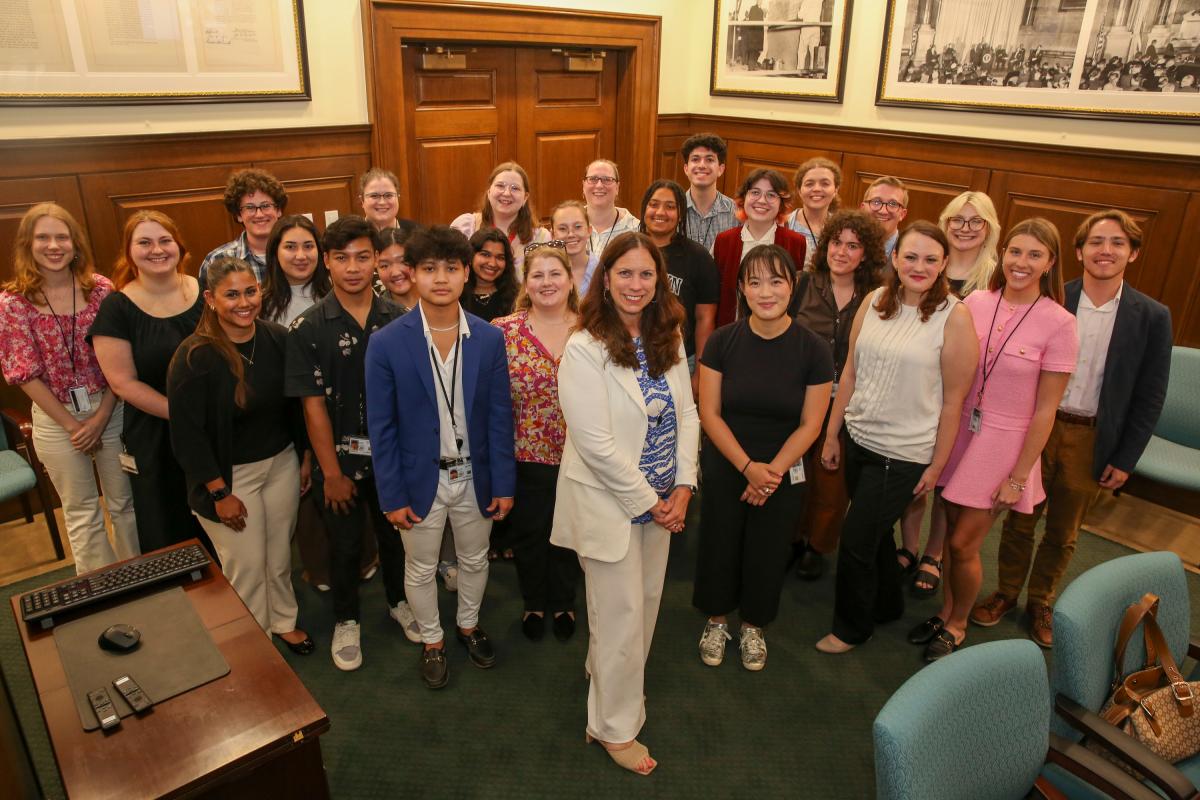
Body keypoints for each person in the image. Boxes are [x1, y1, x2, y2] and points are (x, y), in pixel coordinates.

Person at [970, 210, 1171, 649]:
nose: (1106, 250)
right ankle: (1006, 591)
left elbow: (1150, 394)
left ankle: (1041, 600)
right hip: (1035, 427)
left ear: (1132, 253)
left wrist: (1125, 457)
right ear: (1077, 252)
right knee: (1020, 518)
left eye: (1117, 243)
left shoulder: (1152, 317)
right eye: (1096, 242)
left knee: (1063, 531)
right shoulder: (1053, 301)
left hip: (1093, 437)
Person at [551, 232, 699, 775]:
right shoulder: (585, 346)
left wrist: (683, 485)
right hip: (611, 501)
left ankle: (608, 677)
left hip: (665, 499)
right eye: (625, 274)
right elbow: (593, 443)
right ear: (604, 280)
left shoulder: (668, 335)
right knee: (621, 613)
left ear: (658, 280)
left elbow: (688, 413)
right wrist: (652, 501)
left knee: (645, 601)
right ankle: (613, 728)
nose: (637, 285)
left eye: (646, 275)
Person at [915, 218, 1078, 662]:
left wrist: (1019, 476)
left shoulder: (1060, 322)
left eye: (1034, 254)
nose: (1021, 262)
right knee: (947, 533)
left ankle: (958, 623)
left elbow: (1046, 410)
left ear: (1050, 263)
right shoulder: (974, 302)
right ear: (1001, 254)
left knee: (965, 542)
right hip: (960, 430)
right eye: (1015, 251)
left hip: (1005, 445)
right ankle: (946, 610)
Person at [814, 221, 977, 655]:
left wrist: (937, 467)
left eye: (929, 259)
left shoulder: (955, 318)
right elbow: (849, 371)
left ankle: (852, 628)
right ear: (894, 257)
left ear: (944, 263)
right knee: (877, 533)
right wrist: (832, 433)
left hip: (903, 453)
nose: (918, 266)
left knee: (856, 541)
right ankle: (886, 602)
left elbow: (953, 404)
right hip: (858, 438)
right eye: (910, 256)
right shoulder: (874, 301)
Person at [365, 225, 516, 690]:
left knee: (474, 560)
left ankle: (468, 626)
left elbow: (498, 416)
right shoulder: (386, 343)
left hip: (477, 476)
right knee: (421, 567)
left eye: (451, 268)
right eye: (429, 269)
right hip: (417, 481)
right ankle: (432, 639)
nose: (441, 279)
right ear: (411, 275)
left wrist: (505, 483)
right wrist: (391, 493)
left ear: (466, 273)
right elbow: (382, 428)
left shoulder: (489, 339)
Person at [694, 244, 832, 671]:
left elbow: (811, 424)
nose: (765, 291)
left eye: (776, 281)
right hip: (728, 460)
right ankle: (717, 621)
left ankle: (754, 625)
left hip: (783, 467)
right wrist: (747, 468)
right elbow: (709, 413)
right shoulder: (722, 341)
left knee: (769, 549)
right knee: (719, 542)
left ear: (793, 286)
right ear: (741, 289)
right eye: (754, 282)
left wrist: (769, 474)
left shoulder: (814, 349)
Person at [286, 216, 416, 670]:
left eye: (363, 257)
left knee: (396, 538)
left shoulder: (399, 318)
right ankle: (347, 619)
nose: (353, 267)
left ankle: (400, 602)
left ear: (377, 260)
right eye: (342, 258)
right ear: (327, 263)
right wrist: (332, 473)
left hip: (393, 460)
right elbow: (312, 406)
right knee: (342, 546)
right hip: (337, 461)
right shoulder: (307, 327)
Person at [167, 256, 313, 654]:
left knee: (279, 556)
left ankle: (283, 620)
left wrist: (302, 457)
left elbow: (294, 409)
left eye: (250, 292)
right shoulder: (194, 356)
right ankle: (256, 645)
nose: (244, 302)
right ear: (211, 299)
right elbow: (187, 435)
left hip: (281, 463)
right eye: (232, 294)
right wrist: (218, 493)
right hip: (229, 478)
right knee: (245, 566)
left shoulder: (277, 339)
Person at [0, 203, 138, 574]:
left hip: (112, 406)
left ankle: (142, 579)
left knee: (125, 504)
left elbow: (122, 361)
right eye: (43, 237)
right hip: (55, 418)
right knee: (81, 510)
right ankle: (103, 591)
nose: (53, 245)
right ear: (28, 245)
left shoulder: (102, 290)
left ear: (75, 244)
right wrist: (74, 426)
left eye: (61, 236)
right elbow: (24, 373)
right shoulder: (12, 303)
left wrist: (102, 414)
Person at [897, 190, 1001, 598]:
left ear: (989, 228)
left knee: (945, 481)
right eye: (958, 219)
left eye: (976, 221)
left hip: (963, 393)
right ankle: (907, 545)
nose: (966, 228)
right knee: (912, 474)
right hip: (917, 388)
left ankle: (933, 554)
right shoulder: (924, 264)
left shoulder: (995, 276)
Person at [90, 210, 206, 555]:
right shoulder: (116, 309)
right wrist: (183, 414)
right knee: (171, 529)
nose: (157, 249)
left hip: (214, 425)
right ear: (129, 252)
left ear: (179, 246)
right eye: (144, 242)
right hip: (156, 434)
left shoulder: (206, 291)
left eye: (164, 240)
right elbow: (123, 383)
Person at [790, 209, 886, 581]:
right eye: (835, 242)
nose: (841, 252)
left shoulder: (878, 298)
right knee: (795, 473)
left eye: (853, 246)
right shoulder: (802, 284)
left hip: (849, 402)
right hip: (801, 396)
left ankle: (818, 545)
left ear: (867, 253)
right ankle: (792, 538)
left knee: (831, 479)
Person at [493, 245, 582, 642]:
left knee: (569, 532)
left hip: (580, 456)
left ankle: (564, 601)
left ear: (570, 280)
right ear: (525, 284)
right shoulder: (502, 332)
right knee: (529, 534)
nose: (547, 282)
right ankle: (533, 601)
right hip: (523, 455)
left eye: (554, 274)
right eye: (538, 275)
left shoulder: (591, 329)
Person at [638, 179, 719, 391]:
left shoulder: (697, 257)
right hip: (631, 353)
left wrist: (700, 373)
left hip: (682, 358)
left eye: (670, 206)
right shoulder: (628, 249)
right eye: (654, 204)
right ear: (644, 208)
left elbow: (705, 319)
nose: (660, 212)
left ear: (681, 213)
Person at [711, 168, 807, 326]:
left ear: (781, 204)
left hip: (779, 337)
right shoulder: (723, 241)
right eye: (755, 192)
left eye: (771, 195)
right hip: (731, 335)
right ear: (744, 198)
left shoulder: (797, 244)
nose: (762, 200)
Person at [450, 161, 549, 272]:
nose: (506, 193)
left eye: (515, 188)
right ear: (489, 191)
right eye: (500, 186)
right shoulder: (465, 227)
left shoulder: (541, 239)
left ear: (525, 197)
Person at [198, 168, 288, 285]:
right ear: (238, 215)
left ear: (278, 210)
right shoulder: (217, 259)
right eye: (250, 207)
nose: (259, 214)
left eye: (265, 205)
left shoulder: (297, 254)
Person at [259, 215, 332, 326]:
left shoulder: (338, 292)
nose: (301, 256)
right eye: (290, 247)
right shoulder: (260, 303)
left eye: (308, 246)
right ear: (275, 252)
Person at [681, 133, 738, 251]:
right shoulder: (673, 209)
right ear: (686, 168)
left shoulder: (737, 213)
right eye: (695, 159)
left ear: (721, 169)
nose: (702, 165)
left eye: (709, 159)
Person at [785, 157, 842, 265]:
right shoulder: (783, 224)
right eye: (809, 184)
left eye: (825, 184)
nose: (816, 189)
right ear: (799, 190)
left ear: (835, 190)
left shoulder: (843, 228)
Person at [583, 159, 640, 255]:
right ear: (583, 185)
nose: (599, 185)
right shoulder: (567, 224)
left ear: (617, 187)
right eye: (593, 179)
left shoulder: (636, 229)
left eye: (607, 179)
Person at [462, 228, 519, 323]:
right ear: (470, 255)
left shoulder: (517, 297)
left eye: (500, 257)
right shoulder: (456, 294)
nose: (492, 263)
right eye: (485, 255)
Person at [550, 200, 600, 296]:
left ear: (589, 231)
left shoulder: (602, 272)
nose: (571, 234)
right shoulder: (544, 273)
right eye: (562, 229)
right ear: (552, 235)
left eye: (577, 227)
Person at [860, 176, 909, 262]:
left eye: (893, 204)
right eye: (876, 202)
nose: (883, 211)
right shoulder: (843, 247)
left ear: (902, 214)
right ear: (862, 208)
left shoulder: (909, 252)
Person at [375, 224, 422, 312]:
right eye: (384, 266)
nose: (396, 273)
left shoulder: (438, 298)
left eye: (403, 261)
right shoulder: (376, 314)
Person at [358, 167, 418, 231]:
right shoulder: (349, 236)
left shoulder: (417, 233)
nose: (382, 202)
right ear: (362, 200)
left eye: (388, 195)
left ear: (398, 198)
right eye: (374, 196)